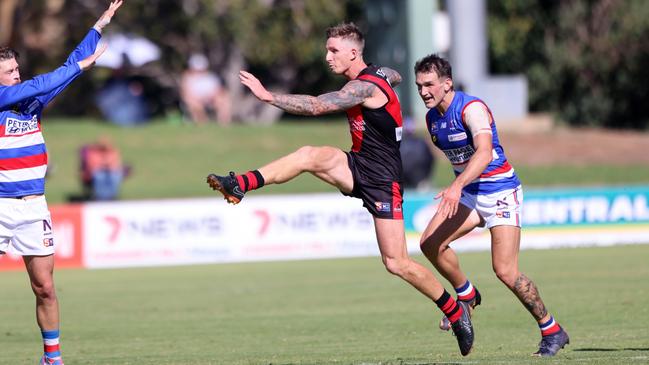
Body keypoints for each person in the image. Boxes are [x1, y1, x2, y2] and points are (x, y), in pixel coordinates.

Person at [207, 22, 474, 356]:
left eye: (334, 50)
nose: (327, 56)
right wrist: (390, 75)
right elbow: (395, 75)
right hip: (357, 165)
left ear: (353, 53)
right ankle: (240, 184)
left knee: (396, 262)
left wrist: (268, 96)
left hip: (382, 180)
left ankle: (454, 309)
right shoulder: (377, 75)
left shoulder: (362, 88)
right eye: (327, 49)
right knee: (309, 155)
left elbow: (319, 105)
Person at [413, 54, 570, 357]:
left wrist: (455, 187)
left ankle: (552, 329)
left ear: (447, 84)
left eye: (429, 84)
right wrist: (461, 186)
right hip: (470, 192)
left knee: (505, 271)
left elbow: (484, 153)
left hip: (500, 191)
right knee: (430, 244)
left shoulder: (472, 109)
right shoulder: (432, 119)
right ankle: (467, 295)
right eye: (419, 85)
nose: (423, 91)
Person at [0, 1, 122, 364]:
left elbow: (64, 71)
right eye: (8, 71)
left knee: (46, 288)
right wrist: (83, 66)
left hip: (33, 205)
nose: (17, 75)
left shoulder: (31, 104)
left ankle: (52, 358)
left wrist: (98, 26)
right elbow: (47, 79)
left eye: (16, 68)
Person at [180, 53, 232, 125]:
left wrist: (211, 97)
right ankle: (202, 123)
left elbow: (218, 89)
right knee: (193, 102)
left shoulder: (210, 76)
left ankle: (224, 123)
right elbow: (186, 92)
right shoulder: (187, 78)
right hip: (196, 99)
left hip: (210, 98)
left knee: (224, 99)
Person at [81, 135, 125, 200]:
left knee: (115, 176)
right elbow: (92, 165)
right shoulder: (93, 152)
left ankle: (111, 196)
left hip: (110, 171)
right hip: (97, 172)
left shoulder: (112, 152)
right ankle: (100, 197)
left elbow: (116, 164)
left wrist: (108, 165)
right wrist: (103, 164)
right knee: (99, 176)